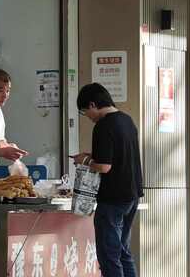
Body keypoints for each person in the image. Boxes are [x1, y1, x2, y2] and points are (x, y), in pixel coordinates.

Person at [72, 83, 144, 277]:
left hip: (112, 198)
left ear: (93, 104)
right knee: (123, 251)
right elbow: (117, 155)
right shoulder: (127, 120)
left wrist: (84, 160)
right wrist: (92, 156)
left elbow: (104, 166)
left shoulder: (103, 125)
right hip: (132, 195)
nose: (87, 116)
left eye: (85, 111)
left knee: (109, 255)